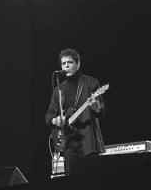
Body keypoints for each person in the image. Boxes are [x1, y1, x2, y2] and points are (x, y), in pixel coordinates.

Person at [45, 48, 106, 176]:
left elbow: (101, 111)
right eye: (63, 64)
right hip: (68, 143)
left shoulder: (90, 82)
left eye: (70, 62)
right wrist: (54, 120)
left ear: (78, 64)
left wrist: (95, 106)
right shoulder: (59, 89)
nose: (66, 66)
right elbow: (49, 114)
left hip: (87, 141)